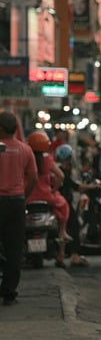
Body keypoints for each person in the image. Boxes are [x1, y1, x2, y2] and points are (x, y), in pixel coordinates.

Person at [0, 111, 38, 305]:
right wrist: (24, 194)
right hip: (16, 202)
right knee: (15, 248)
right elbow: (33, 177)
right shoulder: (25, 150)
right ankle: (9, 290)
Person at [26, 131, 71, 268]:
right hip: (46, 197)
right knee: (63, 207)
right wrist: (54, 189)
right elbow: (61, 176)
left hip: (27, 196)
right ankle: (63, 235)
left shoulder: (26, 158)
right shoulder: (48, 159)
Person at [55, 144, 101, 267]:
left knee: (64, 229)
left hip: (58, 202)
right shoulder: (61, 171)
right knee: (73, 227)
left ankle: (61, 255)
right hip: (63, 203)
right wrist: (92, 186)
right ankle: (74, 256)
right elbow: (76, 186)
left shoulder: (56, 169)